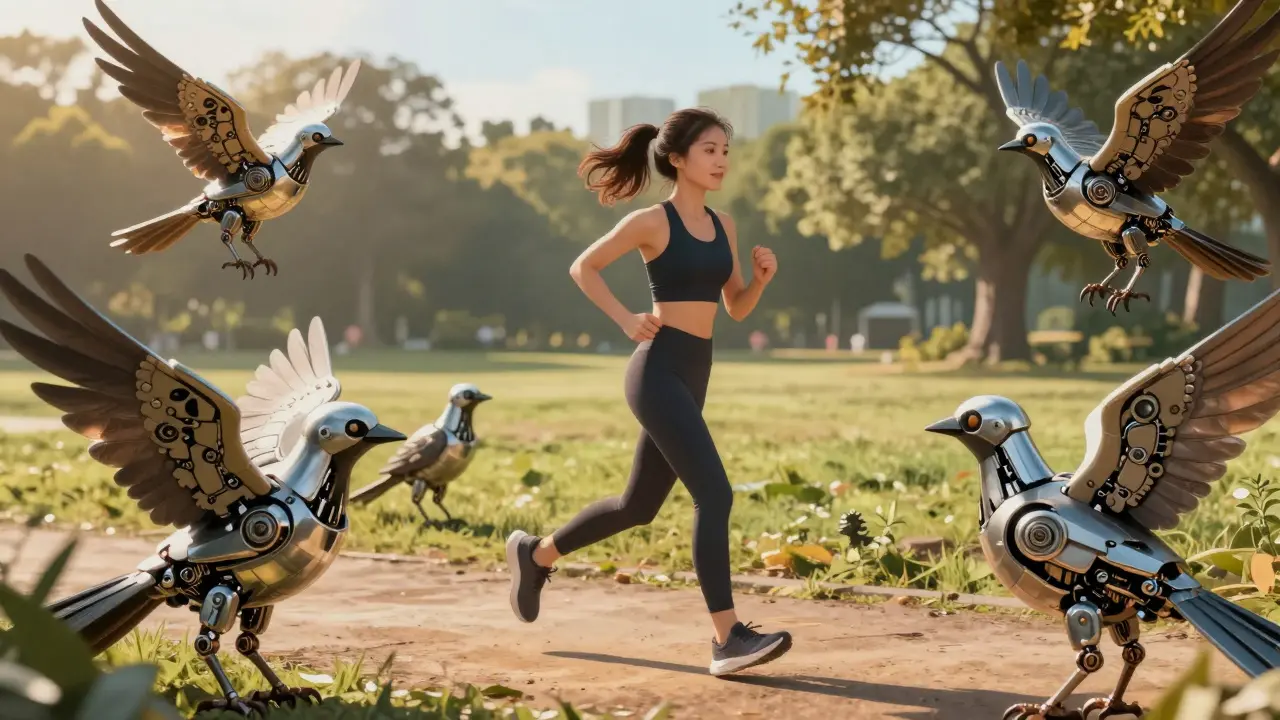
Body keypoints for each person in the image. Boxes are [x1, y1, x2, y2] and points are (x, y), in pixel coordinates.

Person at [505, 107, 789, 676]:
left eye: (725, 152)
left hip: (695, 372)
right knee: (715, 494)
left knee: (638, 507)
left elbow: (733, 306)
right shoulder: (651, 223)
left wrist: (758, 280)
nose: (721, 161)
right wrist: (624, 317)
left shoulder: (724, 225)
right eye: (709, 151)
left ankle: (535, 555)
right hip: (656, 370)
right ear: (678, 159)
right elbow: (584, 267)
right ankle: (727, 637)